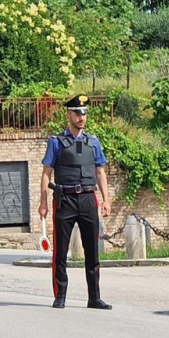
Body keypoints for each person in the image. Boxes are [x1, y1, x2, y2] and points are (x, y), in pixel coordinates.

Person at [38, 94, 112, 310]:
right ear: (68, 114)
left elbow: (100, 171)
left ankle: (94, 297)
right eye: (78, 113)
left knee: (93, 251)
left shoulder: (93, 142)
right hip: (65, 199)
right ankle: (60, 295)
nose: (82, 117)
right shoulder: (56, 142)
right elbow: (46, 173)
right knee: (60, 251)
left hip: (88, 198)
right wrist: (43, 202)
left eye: (84, 113)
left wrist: (106, 199)